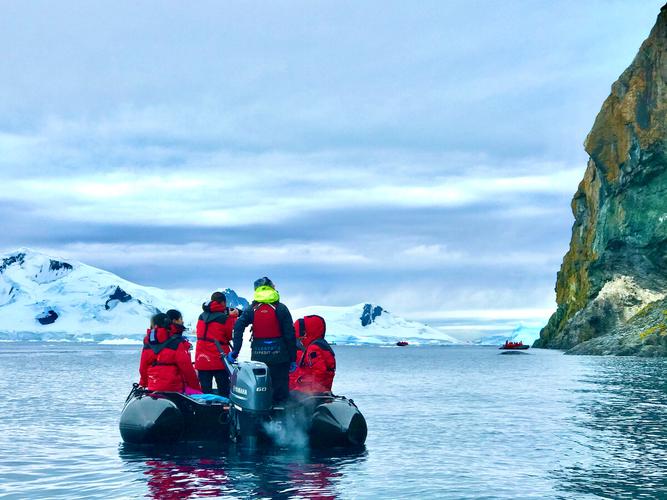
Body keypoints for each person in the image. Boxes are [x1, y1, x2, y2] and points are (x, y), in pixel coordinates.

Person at [228, 277, 297, 403]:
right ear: (272, 289)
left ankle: (261, 419)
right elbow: (290, 335)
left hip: (259, 357)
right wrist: (293, 358)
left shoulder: (252, 309)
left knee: (262, 388)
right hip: (280, 358)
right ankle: (281, 420)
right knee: (281, 393)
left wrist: (236, 350)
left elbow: (238, 326)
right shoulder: (281, 308)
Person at [139, 313, 201, 393]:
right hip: (175, 390)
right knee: (202, 396)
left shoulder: (148, 344)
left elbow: (142, 368)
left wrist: (143, 384)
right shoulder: (176, 343)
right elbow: (187, 369)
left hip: (153, 388)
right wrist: (196, 389)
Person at [195, 292, 239, 396]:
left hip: (201, 358)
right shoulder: (224, 318)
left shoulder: (201, 316)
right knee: (223, 389)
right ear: (223, 302)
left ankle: (206, 411)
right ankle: (223, 411)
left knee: (205, 392)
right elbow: (229, 336)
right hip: (218, 359)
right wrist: (233, 318)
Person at [290, 315, 336, 394]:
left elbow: (319, 372)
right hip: (321, 389)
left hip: (313, 391)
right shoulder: (320, 345)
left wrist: (305, 384)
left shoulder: (313, 349)